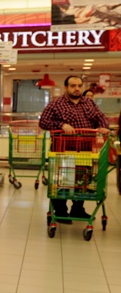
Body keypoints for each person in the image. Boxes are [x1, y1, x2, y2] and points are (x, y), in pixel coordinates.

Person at [38, 74, 110, 220]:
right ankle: (60, 211)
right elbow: (43, 122)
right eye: (73, 86)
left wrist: (103, 127)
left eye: (79, 86)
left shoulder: (89, 103)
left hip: (85, 151)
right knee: (62, 181)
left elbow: (100, 117)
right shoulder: (56, 104)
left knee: (82, 181)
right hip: (62, 150)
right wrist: (61, 125)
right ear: (66, 87)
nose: (77, 89)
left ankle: (78, 209)